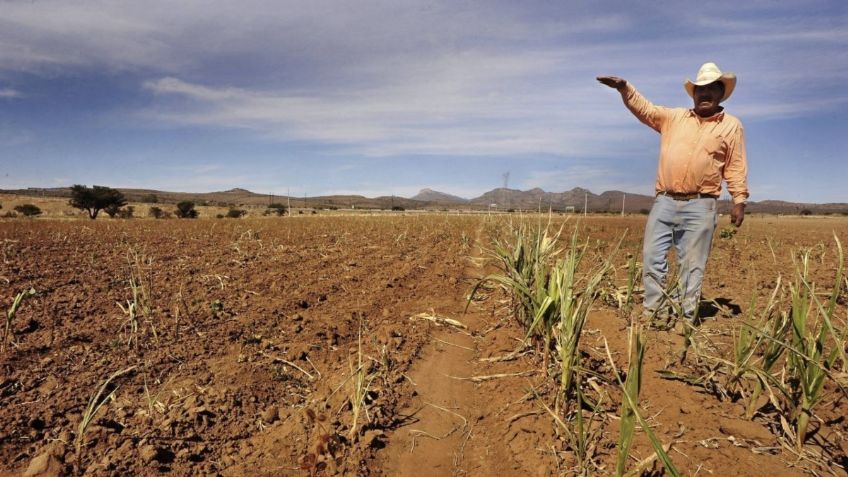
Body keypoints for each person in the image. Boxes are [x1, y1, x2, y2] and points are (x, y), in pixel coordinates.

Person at [597, 62, 749, 324]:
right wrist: (624, 88)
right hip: (665, 201)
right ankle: (655, 314)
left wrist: (739, 199)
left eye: (712, 88)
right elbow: (645, 109)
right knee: (652, 257)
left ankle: (684, 317)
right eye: (700, 89)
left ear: (721, 94)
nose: (705, 94)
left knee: (692, 264)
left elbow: (735, 165)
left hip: (702, 205)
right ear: (693, 94)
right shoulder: (673, 117)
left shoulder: (731, 126)